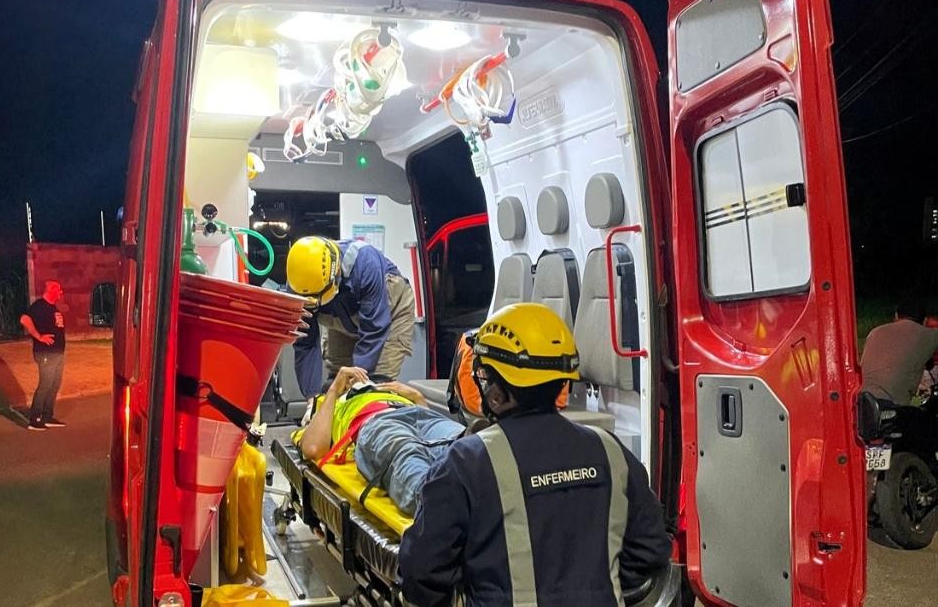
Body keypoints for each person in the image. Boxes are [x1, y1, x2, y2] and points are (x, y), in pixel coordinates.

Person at [399, 303, 672, 606]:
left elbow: (421, 573)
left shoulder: (465, 462)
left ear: (496, 394)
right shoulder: (612, 452)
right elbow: (651, 551)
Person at [298, 366, 465, 516]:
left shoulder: (396, 393)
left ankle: (475, 481)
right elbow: (313, 449)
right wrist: (334, 390)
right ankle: (439, 505)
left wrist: (417, 396)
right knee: (405, 449)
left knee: (462, 441)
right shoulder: (335, 404)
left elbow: (429, 440)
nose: (361, 381)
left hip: (421, 416)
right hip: (377, 421)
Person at [286, 236, 415, 398]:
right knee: (337, 381)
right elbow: (306, 343)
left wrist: (357, 382)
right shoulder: (298, 284)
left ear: (336, 274)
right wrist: (312, 396)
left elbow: (374, 330)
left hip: (388, 313)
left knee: (373, 385)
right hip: (342, 315)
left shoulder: (366, 264)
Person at [862, 300, 938, 405]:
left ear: (896, 315)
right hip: (893, 406)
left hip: (865, 401)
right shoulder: (928, 335)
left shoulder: (875, 332)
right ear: (925, 320)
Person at [19, 280, 68, 431]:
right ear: (51, 290)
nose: (61, 293)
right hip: (46, 353)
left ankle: (47, 416)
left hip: (57, 353)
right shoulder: (39, 306)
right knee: (45, 384)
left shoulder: (53, 307)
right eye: (58, 290)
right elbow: (24, 319)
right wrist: (38, 336)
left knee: (55, 384)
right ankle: (34, 419)